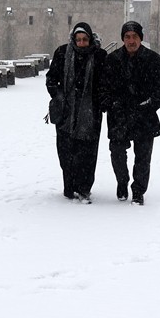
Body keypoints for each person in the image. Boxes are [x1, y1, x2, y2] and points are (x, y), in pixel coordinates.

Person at [105, 20, 160, 205]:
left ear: (140, 38)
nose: (131, 41)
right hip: (119, 115)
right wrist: (112, 104)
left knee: (143, 157)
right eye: (127, 37)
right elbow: (104, 87)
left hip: (144, 115)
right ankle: (122, 182)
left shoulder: (153, 60)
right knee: (117, 153)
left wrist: (151, 104)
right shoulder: (113, 60)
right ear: (122, 39)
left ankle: (138, 190)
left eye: (134, 37)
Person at [45, 22, 108, 203]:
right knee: (66, 152)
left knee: (87, 153)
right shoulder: (62, 53)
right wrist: (58, 96)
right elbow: (51, 78)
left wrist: (100, 100)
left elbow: (105, 82)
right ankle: (69, 186)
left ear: (90, 39)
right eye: (78, 39)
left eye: (85, 40)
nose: (81, 43)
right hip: (66, 113)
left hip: (90, 114)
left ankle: (84, 188)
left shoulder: (99, 56)